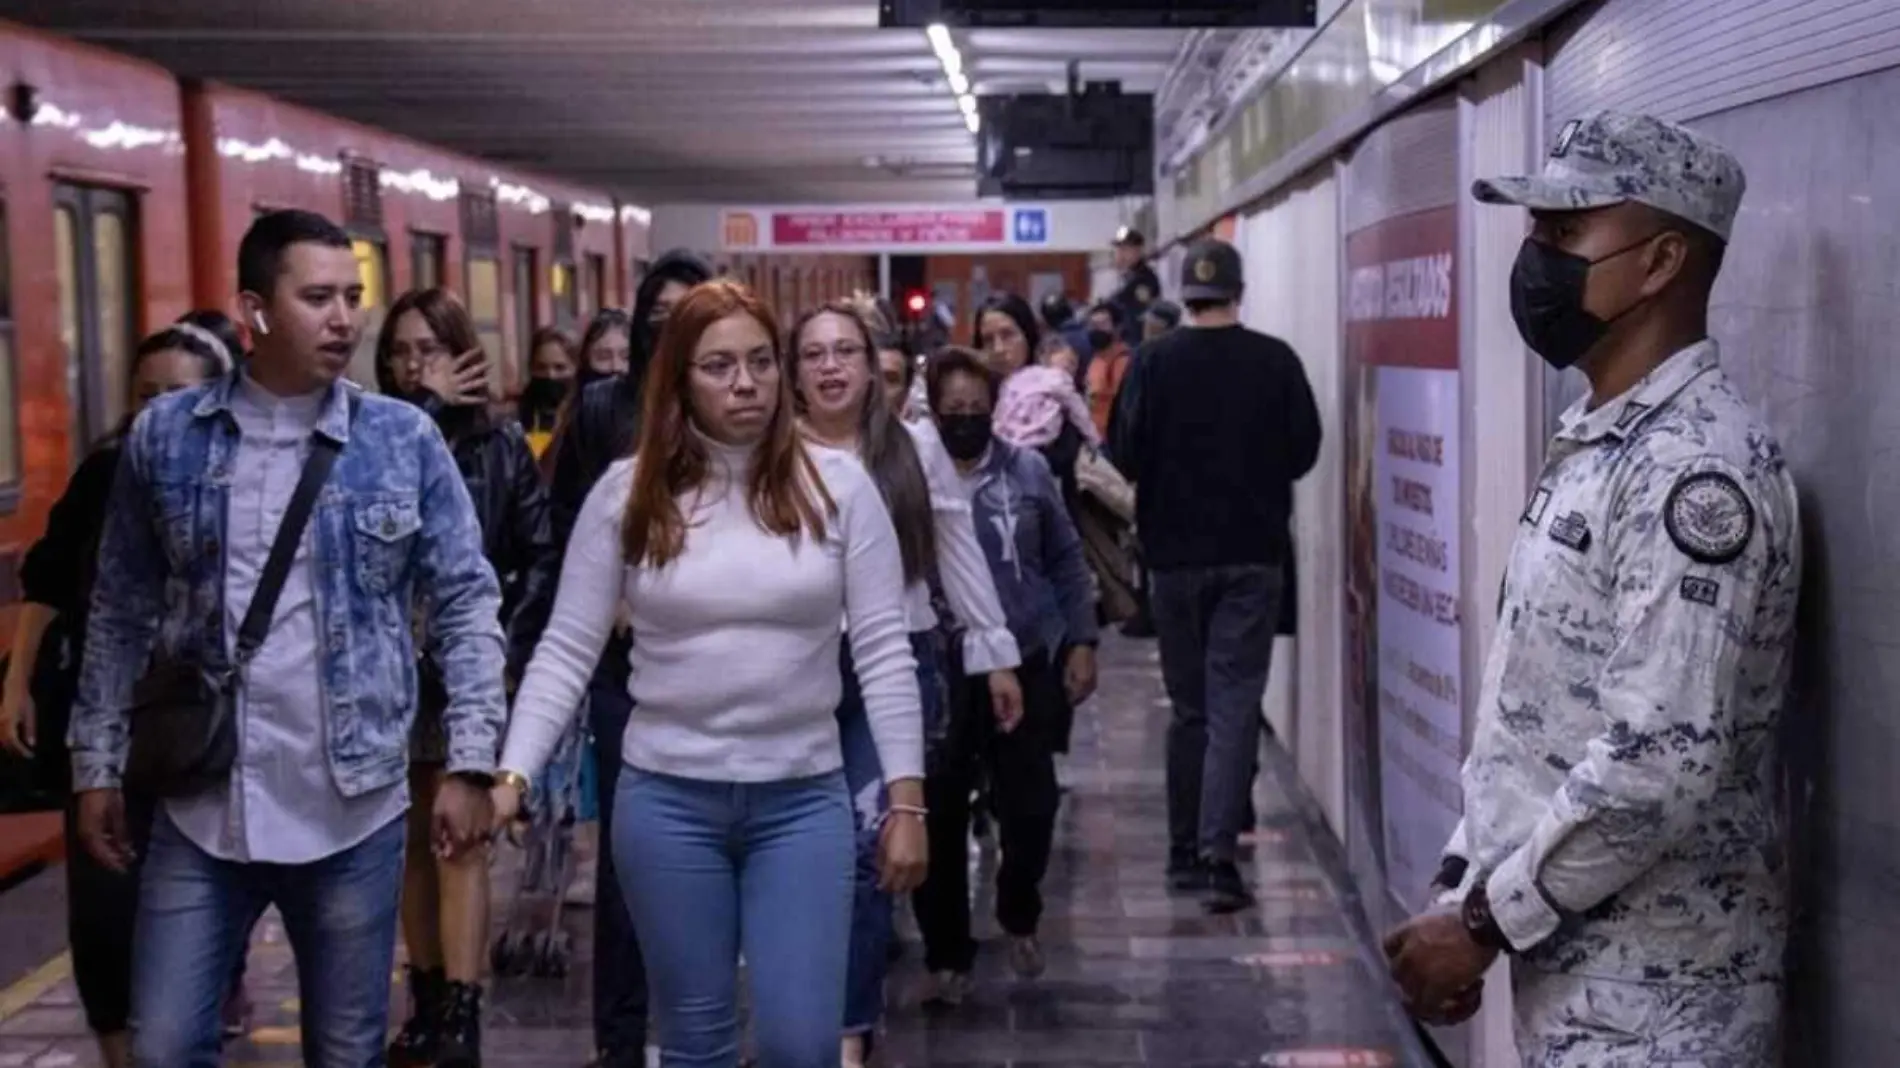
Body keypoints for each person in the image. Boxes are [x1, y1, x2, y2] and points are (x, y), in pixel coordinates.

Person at [1382, 111, 1800, 1067]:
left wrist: (1483, 923)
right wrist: (1463, 890)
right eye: (1536, 231)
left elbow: (1657, 764)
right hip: (1589, 986)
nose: (1535, 260)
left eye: (1565, 233)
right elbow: (1539, 717)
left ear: (1660, 263)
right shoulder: (1599, 443)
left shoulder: (1694, 472)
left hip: (1662, 1002)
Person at [68, 209, 506, 1068]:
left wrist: (470, 761)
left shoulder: (402, 439)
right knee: (163, 1045)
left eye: (352, 297)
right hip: (205, 806)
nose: (345, 318)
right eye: (317, 297)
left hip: (354, 805)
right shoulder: (168, 438)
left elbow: (466, 602)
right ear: (254, 311)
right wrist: (95, 766)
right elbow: (117, 609)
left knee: (345, 1052)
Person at [491, 280, 929, 1067]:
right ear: (679, 380)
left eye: (761, 362)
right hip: (666, 803)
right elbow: (566, 646)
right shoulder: (627, 496)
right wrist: (513, 774)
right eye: (719, 365)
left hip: (802, 799)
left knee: (802, 1046)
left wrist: (907, 800)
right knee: (696, 1043)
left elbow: (885, 648)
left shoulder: (841, 487)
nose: (746, 383)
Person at [790, 300, 1023, 1065]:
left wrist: (995, 656)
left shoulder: (913, 449)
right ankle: (800, 1019)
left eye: (846, 352)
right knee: (801, 854)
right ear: (795, 371)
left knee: (866, 849)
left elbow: (956, 551)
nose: (831, 367)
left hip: (896, 665)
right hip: (796, 672)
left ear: (873, 366)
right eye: (814, 354)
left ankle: (851, 1034)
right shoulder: (770, 452)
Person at [0, 325, 232, 1068]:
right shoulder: (105, 474)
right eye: (146, 396)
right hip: (106, 732)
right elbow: (46, 578)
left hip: (205, 736)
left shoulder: (246, 479)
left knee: (196, 915)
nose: (158, 411)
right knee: (103, 918)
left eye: (179, 394)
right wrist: (17, 683)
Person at [376, 287, 558, 1068]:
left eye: (430, 350)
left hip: (468, 671)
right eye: (402, 353)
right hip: (390, 673)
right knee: (411, 843)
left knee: (464, 842)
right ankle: (424, 995)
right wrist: (422, 410)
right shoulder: (370, 439)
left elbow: (538, 552)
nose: (415, 364)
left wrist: (509, 651)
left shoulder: (498, 446)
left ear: (462, 356)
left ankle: (463, 1013)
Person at [1113, 237, 1321, 914]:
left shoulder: (1152, 361)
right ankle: (1219, 857)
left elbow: (1123, 452)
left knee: (1191, 708)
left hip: (1172, 560)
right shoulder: (1275, 362)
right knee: (1234, 703)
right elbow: (1304, 451)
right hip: (1252, 558)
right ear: (1239, 292)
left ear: (1186, 294)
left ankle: (1181, 854)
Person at [545, 250, 711, 1068]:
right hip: (622, 672)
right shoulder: (605, 408)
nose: (667, 325)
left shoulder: (735, 408)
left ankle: (695, 1028)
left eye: (687, 310)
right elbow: (565, 521)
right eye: (657, 311)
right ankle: (618, 1039)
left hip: (715, 669)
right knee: (626, 857)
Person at [915, 346, 1098, 1001]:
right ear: (932, 412)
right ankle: (947, 954)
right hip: (939, 665)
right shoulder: (916, 477)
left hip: (1024, 656)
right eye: (951, 410)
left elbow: (1067, 559)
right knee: (937, 811)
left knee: (1031, 804)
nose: (964, 420)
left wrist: (1081, 639)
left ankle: (1019, 905)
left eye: (975, 409)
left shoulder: (1025, 472)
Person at [520, 326, 577, 460]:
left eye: (560, 368)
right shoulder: (516, 417)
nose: (550, 375)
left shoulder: (584, 413)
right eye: (541, 367)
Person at [1082, 302, 1132, 442]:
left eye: (1102, 324)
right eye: (1092, 324)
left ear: (1117, 328)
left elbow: (1126, 404)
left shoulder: (1121, 360)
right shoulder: (1097, 358)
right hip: (1095, 437)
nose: (1095, 329)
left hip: (1111, 441)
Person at [1107, 226, 1161, 348]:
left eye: (1125, 249)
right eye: (1118, 249)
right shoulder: (1128, 277)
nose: (1120, 254)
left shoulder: (1143, 280)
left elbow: (1137, 319)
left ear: (1138, 250)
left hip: (1139, 346)